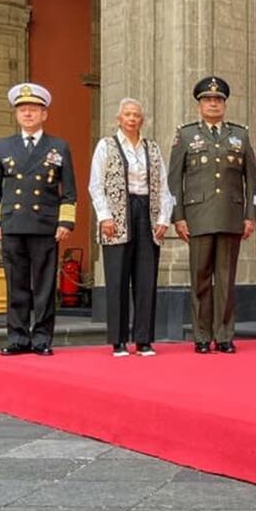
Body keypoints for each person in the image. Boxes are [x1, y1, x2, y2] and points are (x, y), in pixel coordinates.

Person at [0, 83, 76, 357]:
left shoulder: (58, 146)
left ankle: (42, 339)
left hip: (45, 225)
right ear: (16, 114)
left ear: (44, 114)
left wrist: (65, 222)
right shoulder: (4, 146)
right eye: (23, 109)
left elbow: (68, 190)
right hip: (12, 225)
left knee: (45, 286)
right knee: (16, 284)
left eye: (34, 109)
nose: (28, 114)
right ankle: (17, 338)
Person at [168, 76, 256, 354]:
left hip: (231, 216)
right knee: (200, 279)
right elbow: (174, 181)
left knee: (226, 281)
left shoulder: (239, 135)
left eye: (218, 100)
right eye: (208, 100)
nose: (213, 104)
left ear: (224, 104)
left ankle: (223, 335)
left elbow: (252, 181)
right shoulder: (185, 135)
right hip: (197, 217)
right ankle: (200, 335)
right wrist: (178, 217)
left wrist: (250, 215)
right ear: (199, 104)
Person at [89, 98, 175, 357]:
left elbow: (163, 186)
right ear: (119, 119)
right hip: (116, 216)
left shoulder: (152, 148)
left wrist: (163, 219)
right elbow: (96, 184)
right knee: (117, 279)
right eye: (127, 114)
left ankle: (144, 339)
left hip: (146, 213)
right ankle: (118, 341)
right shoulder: (106, 145)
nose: (132, 119)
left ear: (142, 120)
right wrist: (104, 216)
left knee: (146, 279)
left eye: (136, 115)